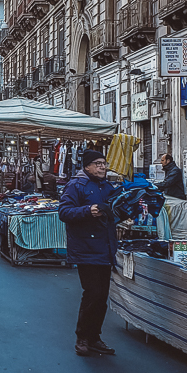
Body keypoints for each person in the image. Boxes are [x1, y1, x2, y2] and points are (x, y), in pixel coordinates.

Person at [57, 150, 119, 357]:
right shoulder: (76, 185)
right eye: (98, 163)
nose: (103, 167)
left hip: (105, 248)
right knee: (92, 294)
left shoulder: (108, 186)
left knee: (102, 296)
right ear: (86, 166)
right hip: (86, 249)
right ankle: (82, 337)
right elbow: (64, 212)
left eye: (104, 163)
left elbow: (115, 212)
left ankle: (95, 337)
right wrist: (87, 210)